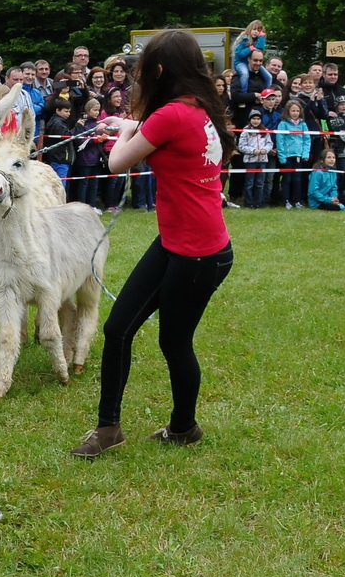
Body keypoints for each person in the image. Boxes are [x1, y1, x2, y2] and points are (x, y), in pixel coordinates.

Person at [72, 28, 234, 459]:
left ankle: (184, 428)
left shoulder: (170, 115)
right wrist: (129, 125)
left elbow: (115, 162)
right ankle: (109, 429)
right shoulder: (196, 106)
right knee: (118, 329)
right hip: (182, 244)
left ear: (160, 70)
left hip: (197, 254)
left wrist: (124, 133)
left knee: (174, 343)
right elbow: (157, 130)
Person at [274, 99, 314, 208]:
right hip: (287, 156)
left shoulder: (303, 124)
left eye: (297, 111)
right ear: (288, 111)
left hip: (299, 156)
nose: (295, 113)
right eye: (293, 111)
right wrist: (282, 156)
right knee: (287, 179)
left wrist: (305, 154)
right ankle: (286, 200)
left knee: (297, 179)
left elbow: (307, 139)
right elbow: (280, 141)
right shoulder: (283, 124)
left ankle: (297, 201)